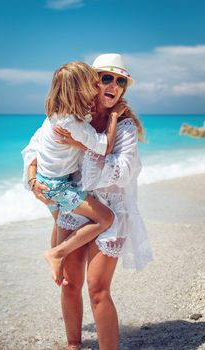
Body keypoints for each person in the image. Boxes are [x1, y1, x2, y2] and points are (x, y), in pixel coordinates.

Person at [22, 54, 153, 350]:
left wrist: (82, 145)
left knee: (97, 289)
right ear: (92, 83)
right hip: (76, 203)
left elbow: (123, 171)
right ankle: (73, 345)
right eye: (107, 78)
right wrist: (33, 181)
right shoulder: (70, 113)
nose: (115, 85)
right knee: (69, 285)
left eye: (121, 81)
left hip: (111, 208)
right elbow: (34, 146)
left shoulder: (125, 127)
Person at [22, 61, 128, 286]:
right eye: (93, 82)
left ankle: (56, 264)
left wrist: (33, 178)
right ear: (81, 88)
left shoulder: (56, 115)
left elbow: (36, 148)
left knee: (59, 222)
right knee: (106, 218)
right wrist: (114, 117)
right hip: (59, 187)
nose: (96, 85)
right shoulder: (74, 123)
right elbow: (105, 147)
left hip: (46, 181)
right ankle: (57, 254)